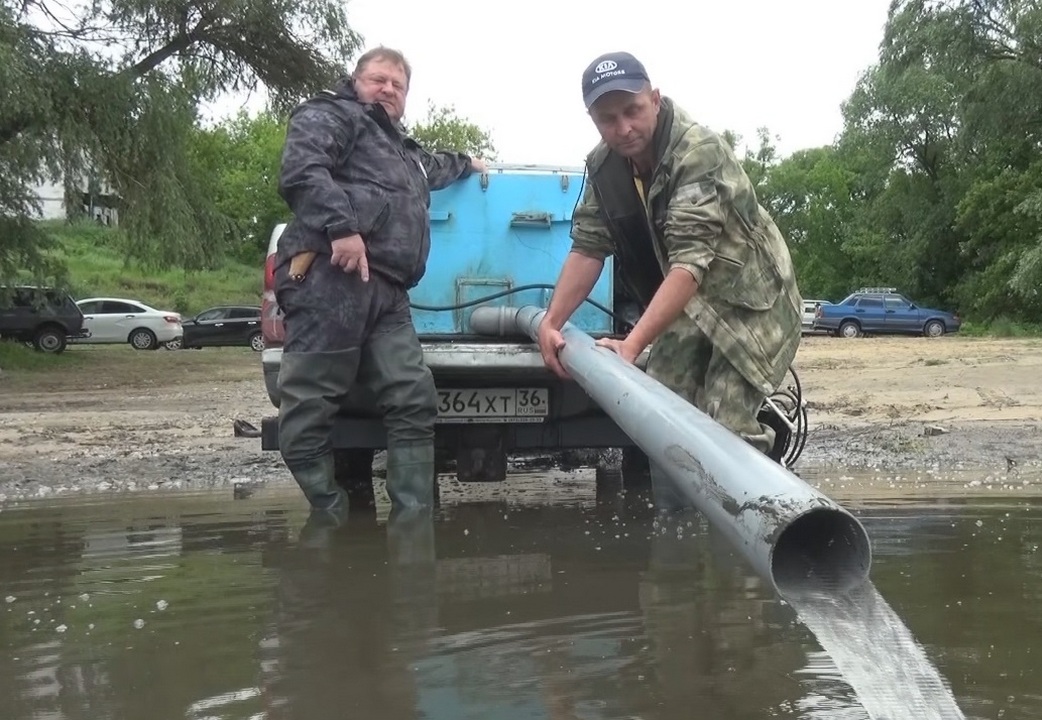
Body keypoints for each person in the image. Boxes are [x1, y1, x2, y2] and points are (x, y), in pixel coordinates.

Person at [536, 51, 803, 457]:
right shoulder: (605, 167)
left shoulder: (697, 153)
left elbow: (688, 265)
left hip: (754, 306)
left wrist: (630, 345)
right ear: (592, 118)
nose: (624, 128)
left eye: (633, 110)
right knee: (661, 414)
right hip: (691, 305)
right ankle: (675, 520)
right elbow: (589, 246)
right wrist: (551, 323)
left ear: (655, 99)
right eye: (608, 119)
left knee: (724, 424)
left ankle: (775, 514)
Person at [273, 46, 486, 513]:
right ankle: (331, 518)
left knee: (413, 397)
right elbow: (301, 170)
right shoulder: (333, 114)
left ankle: (412, 526)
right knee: (310, 407)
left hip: (389, 290)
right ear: (356, 81)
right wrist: (342, 228)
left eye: (398, 84)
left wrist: (467, 161)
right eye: (378, 80)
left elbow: (434, 168)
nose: (388, 89)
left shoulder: (402, 152)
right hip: (331, 277)